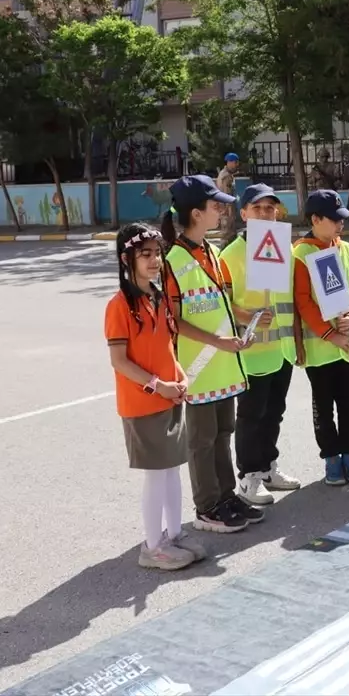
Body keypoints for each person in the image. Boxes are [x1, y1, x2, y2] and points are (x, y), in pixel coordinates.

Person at [105, 223, 206, 570]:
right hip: (142, 403)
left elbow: (166, 348)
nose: (154, 260)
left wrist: (180, 377)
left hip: (168, 397)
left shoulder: (158, 297)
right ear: (126, 259)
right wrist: (156, 385)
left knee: (172, 469)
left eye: (157, 253)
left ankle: (174, 534)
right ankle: (152, 547)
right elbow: (119, 361)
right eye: (144, 254)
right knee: (156, 474)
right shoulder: (120, 305)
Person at [161, 175, 258, 534]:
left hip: (224, 366)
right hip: (198, 369)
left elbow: (222, 305)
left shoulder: (213, 253)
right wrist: (218, 342)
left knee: (223, 433)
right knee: (202, 441)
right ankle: (207, 506)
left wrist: (243, 328)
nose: (222, 210)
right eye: (215, 205)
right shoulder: (172, 261)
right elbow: (173, 320)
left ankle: (226, 495)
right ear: (196, 213)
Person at [219, 184, 303, 508]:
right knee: (251, 416)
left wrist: (297, 342)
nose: (265, 214)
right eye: (258, 208)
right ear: (244, 214)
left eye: (270, 209)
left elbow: (290, 299)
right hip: (251, 352)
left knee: (274, 412)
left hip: (281, 350)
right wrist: (249, 316)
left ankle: (268, 467)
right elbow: (222, 303)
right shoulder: (230, 256)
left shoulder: (284, 249)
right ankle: (249, 476)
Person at [293, 190, 349, 484]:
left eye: (342, 219)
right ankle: (331, 459)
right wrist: (330, 334)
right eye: (335, 219)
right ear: (315, 220)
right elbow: (303, 301)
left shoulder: (348, 251)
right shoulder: (300, 254)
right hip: (321, 349)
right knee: (323, 407)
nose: (341, 224)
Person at [216, 152, 241, 243]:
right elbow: (226, 195)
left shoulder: (224, 174)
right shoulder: (226, 176)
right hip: (227, 210)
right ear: (229, 162)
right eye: (235, 162)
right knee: (228, 235)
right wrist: (229, 210)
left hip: (226, 209)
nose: (237, 165)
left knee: (228, 233)